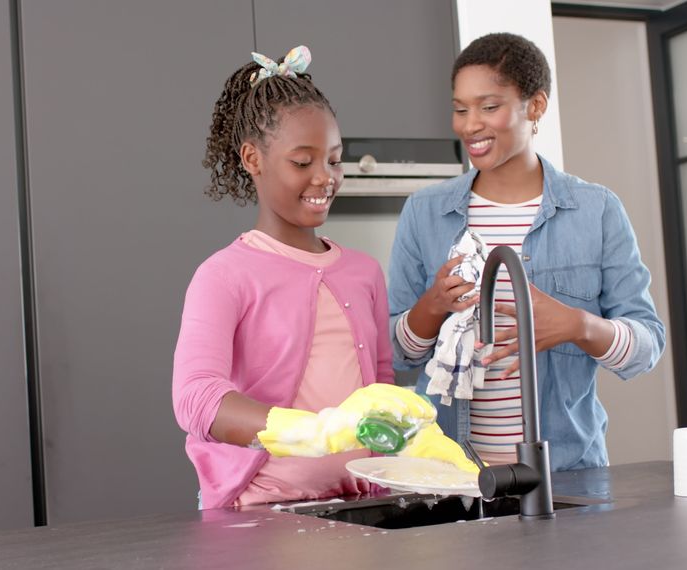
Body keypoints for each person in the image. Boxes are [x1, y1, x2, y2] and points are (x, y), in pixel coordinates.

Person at [173, 46, 474, 510]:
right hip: (260, 507)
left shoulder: (363, 272)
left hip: (357, 503)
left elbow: (379, 389)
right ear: (253, 159)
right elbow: (196, 398)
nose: (325, 178)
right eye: (303, 162)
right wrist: (315, 432)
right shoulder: (224, 275)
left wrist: (425, 450)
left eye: (334, 160)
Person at [388, 33, 666, 470]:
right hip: (453, 475)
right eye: (460, 109)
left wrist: (578, 325)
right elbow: (397, 355)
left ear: (534, 106)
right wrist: (432, 306)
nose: (469, 124)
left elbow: (647, 347)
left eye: (489, 106)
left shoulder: (596, 210)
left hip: (568, 474)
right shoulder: (425, 213)